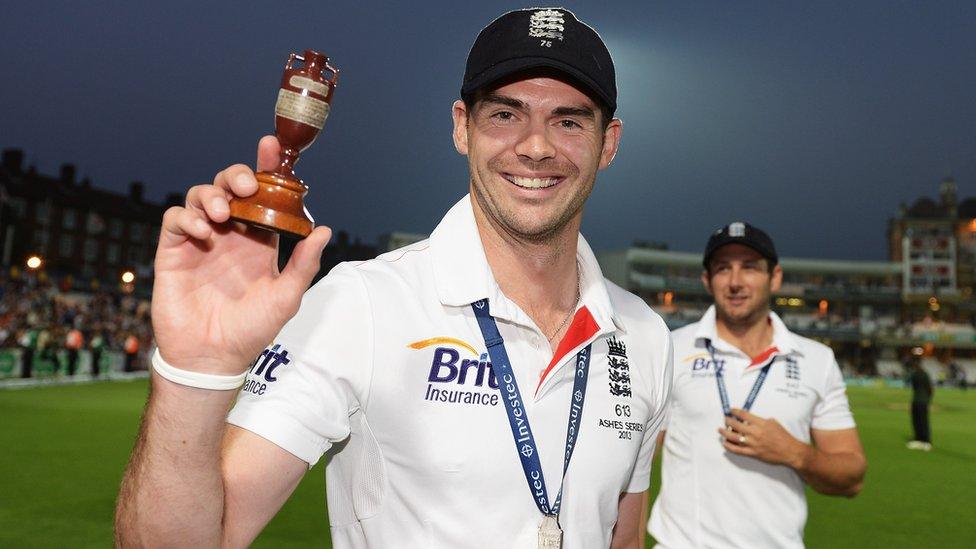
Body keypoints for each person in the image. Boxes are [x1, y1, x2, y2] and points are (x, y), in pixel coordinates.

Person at [116, 8, 673, 548]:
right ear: (462, 127)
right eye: (505, 114)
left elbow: (619, 539)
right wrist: (196, 372)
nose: (535, 147)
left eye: (569, 121)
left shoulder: (644, 336)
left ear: (610, 143)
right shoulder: (360, 304)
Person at [648, 222, 867, 549]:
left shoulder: (816, 360)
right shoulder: (670, 348)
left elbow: (852, 477)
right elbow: (633, 461)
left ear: (774, 277)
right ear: (708, 281)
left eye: (749, 267)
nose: (735, 282)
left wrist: (795, 453)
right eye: (723, 269)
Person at [906, 357, 933, 450]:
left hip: (917, 400)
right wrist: (928, 400)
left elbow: (913, 388)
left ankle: (923, 440)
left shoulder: (915, 375)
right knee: (922, 421)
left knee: (918, 421)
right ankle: (922, 440)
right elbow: (930, 389)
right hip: (921, 401)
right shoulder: (924, 374)